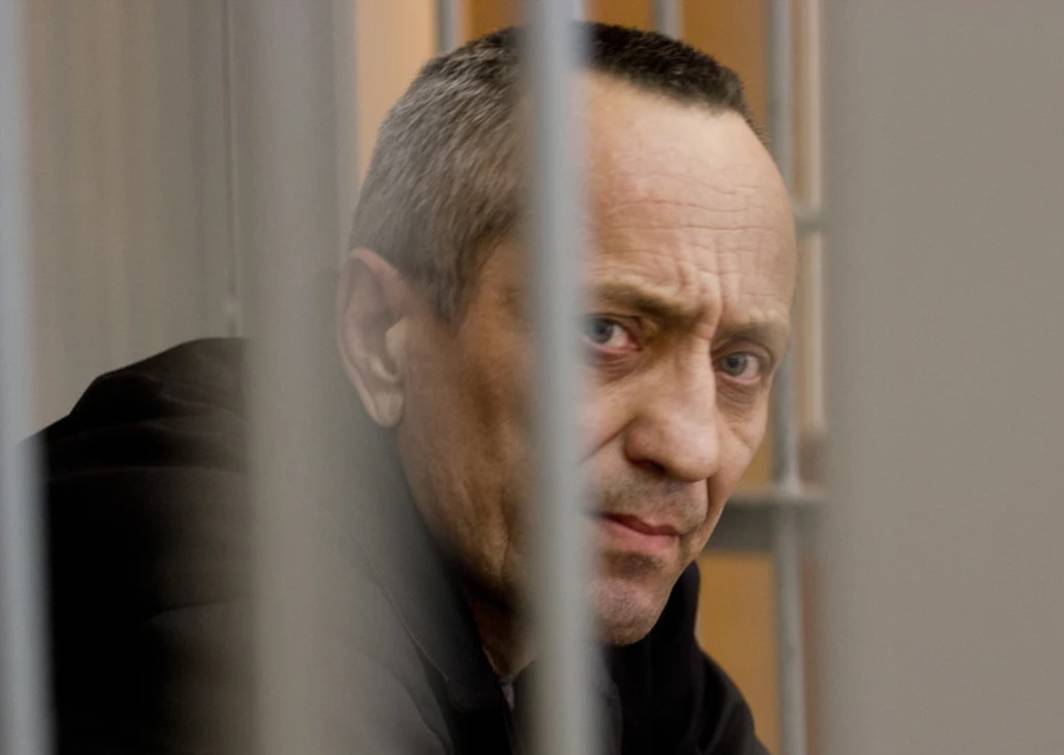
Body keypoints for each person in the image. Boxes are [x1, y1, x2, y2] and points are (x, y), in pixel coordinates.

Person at [38, 23, 794, 754]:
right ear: (378, 336)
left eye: (738, 363)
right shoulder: (218, 557)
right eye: (604, 331)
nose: (690, 447)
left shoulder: (595, 555)